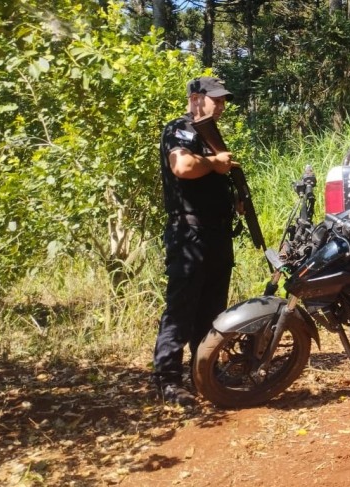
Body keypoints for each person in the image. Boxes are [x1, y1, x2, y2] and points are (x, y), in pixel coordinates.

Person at [153, 76, 237, 405]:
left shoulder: (208, 132)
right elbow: (183, 166)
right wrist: (215, 164)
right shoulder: (181, 127)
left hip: (215, 233)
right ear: (194, 97)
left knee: (212, 310)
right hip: (190, 233)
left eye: (222, 99)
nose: (220, 105)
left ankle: (204, 373)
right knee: (182, 308)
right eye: (214, 98)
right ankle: (167, 379)